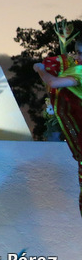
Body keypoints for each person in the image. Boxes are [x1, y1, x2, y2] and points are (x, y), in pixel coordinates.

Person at [33, 19, 82, 217]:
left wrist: (40, 69)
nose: (78, 58)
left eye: (80, 54)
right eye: (77, 53)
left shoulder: (80, 71)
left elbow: (53, 83)